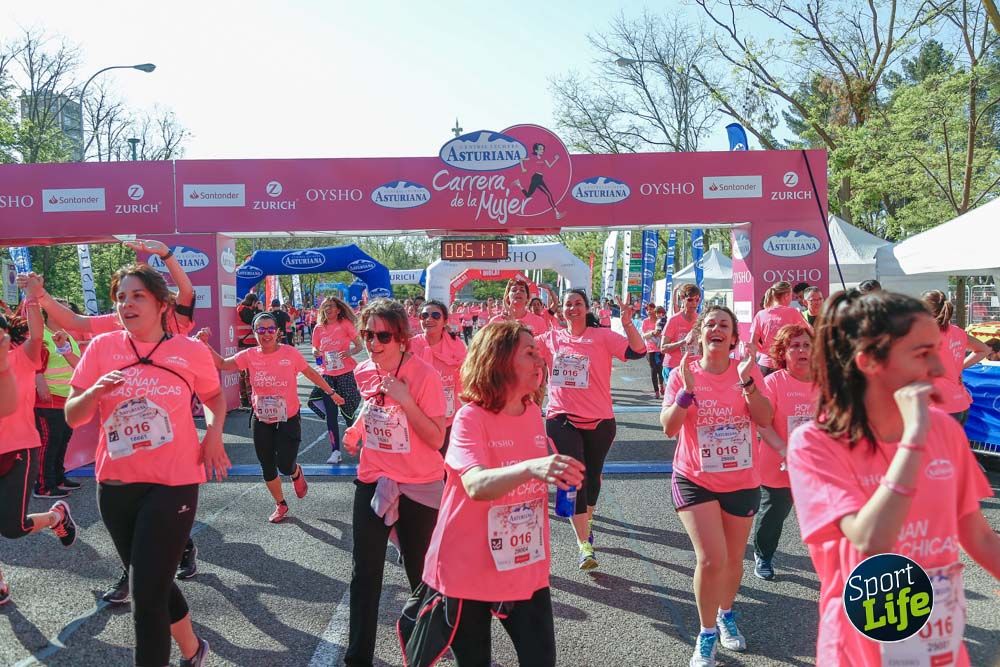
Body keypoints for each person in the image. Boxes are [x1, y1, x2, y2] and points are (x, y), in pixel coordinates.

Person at [787, 289, 1000, 666]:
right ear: (870, 360)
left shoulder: (945, 431)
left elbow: (979, 536)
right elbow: (871, 539)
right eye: (922, 353)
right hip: (858, 650)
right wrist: (914, 439)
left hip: (940, 649)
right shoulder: (814, 444)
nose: (939, 367)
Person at [65, 263, 229, 667]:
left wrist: (213, 435)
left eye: (137, 295)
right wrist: (93, 394)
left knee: (146, 598)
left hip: (172, 484)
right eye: (121, 297)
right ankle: (194, 650)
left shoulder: (189, 351)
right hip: (116, 486)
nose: (127, 304)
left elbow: (213, 398)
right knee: (150, 580)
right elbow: (73, 415)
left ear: (160, 304)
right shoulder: (101, 348)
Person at [398, 321, 585, 666]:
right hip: (467, 565)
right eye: (529, 352)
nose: (540, 358)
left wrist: (557, 474)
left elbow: (523, 473)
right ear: (499, 360)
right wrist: (532, 468)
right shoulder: (471, 418)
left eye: (538, 351)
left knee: (541, 659)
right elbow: (476, 484)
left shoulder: (531, 412)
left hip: (522, 561)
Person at [659, 305, 771, 667]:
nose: (717, 329)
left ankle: (726, 612)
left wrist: (748, 382)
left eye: (725, 325)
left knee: (734, 559)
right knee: (711, 558)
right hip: (695, 477)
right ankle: (706, 633)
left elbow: (765, 419)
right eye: (711, 324)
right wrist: (686, 393)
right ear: (700, 334)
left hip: (741, 479)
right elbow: (669, 427)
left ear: (734, 337)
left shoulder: (748, 372)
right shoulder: (684, 373)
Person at [340, 298, 447, 667]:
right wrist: (354, 433)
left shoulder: (425, 377)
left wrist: (406, 400)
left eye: (382, 335)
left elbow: (436, 439)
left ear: (401, 338)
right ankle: (357, 658)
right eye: (368, 334)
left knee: (421, 577)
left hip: (419, 484)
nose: (373, 342)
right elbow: (371, 411)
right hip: (374, 478)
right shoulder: (363, 372)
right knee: (364, 571)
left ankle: (425, 650)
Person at [536, 290, 646, 570]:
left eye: (578, 304)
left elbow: (638, 351)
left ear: (586, 308)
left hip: (600, 420)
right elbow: (517, 348)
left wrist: (628, 322)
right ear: (561, 310)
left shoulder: (602, 336)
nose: (573, 308)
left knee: (592, 477)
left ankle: (587, 518)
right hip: (561, 417)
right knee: (572, 478)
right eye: (568, 304)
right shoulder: (552, 338)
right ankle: (584, 545)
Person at [197, 313, 344, 522]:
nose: (266, 334)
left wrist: (331, 392)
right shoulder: (249, 355)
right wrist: (204, 345)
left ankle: (295, 472)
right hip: (261, 418)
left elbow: (310, 373)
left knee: (284, 464)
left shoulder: (290, 354)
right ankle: (280, 504)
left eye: (270, 329)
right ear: (255, 333)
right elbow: (222, 364)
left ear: (278, 332)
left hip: (288, 417)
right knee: (267, 464)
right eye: (261, 330)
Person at [0, 304, 78, 607]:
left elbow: (35, 335)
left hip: (19, 448)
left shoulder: (22, 357)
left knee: (13, 528)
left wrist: (33, 299)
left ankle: (57, 516)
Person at [753, 324, 817, 581]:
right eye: (794, 346)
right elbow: (762, 422)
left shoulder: (825, 382)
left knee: (823, 515)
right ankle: (764, 555)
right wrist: (784, 449)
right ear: (783, 352)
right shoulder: (773, 382)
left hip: (815, 464)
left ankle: (831, 564)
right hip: (778, 461)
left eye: (806, 345)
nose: (801, 350)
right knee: (774, 514)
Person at [307, 297, 364, 464]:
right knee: (331, 415)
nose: (328, 309)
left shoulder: (345, 324)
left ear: (338, 309)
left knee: (348, 413)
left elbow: (359, 345)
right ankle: (335, 451)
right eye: (325, 307)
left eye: (331, 306)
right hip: (327, 374)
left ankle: (355, 442)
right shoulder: (318, 328)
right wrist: (315, 352)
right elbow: (315, 347)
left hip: (346, 373)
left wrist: (349, 353)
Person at [921, 290, 990, 424]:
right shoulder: (957, 332)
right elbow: (984, 350)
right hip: (960, 405)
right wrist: (958, 367)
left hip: (939, 406)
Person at [409, 300, 467, 455]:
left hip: (449, 415)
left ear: (445, 321)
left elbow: (466, 376)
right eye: (424, 315)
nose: (429, 319)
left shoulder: (457, 345)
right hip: (419, 415)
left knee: (447, 462)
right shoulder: (410, 346)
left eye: (435, 315)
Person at [32, 316, 82, 499]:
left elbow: (77, 364)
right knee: (49, 443)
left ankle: (59, 479)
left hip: (66, 397)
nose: (65, 314)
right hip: (48, 398)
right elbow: (34, 363)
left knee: (62, 441)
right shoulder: (41, 335)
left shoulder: (66, 336)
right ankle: (44, 486)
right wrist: (40, 383)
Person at [748, 281, 809, 377]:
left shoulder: (761, 314)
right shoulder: (793, 312)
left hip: (764, 365)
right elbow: (810, 333)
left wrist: (763, 350)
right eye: (791, 296)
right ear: (786, 295)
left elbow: (752, 343)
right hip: (785, 365)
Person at [515, 142, 565, 220]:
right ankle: (557, 213)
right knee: (547, 194)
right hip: (536, 178)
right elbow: (521, 159)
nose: (542, 150)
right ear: (536, 150)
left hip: (540, 178)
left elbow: (549, 166)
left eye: (543, 149)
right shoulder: (532, 157)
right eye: (540, 149)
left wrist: (555, 159)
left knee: (530, 195)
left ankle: (519, 184)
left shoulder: (543, 158)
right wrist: (523, 168)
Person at [661, 283, 701, 380]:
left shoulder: (701, 320)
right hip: (674, 366)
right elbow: (663, 348)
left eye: (697, 300)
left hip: (694, 367)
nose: (694, 303)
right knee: (677, 395)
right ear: (682, 298)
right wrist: (683, 341)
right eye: (690, 300)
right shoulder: (674, 320)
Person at [642, 303, 667, 399]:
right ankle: (656, 390)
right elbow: (643, 335)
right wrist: (652, 333)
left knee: (660, 368)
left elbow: (665, 333)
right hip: (650, 349)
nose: (649, 311)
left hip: (660, 348)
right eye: (647, 309)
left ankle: (661, 385)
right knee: (653, 369)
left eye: (651, 309)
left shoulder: (661, 320)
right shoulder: (645, 322)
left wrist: (659, 334)